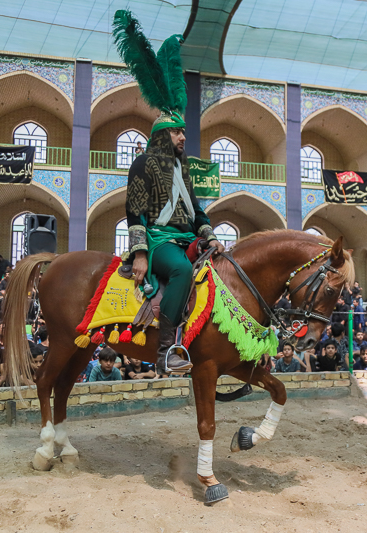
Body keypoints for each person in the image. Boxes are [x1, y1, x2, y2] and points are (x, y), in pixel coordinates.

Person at [119, 27, 224, 376]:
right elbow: (133, 210)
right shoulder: (143, 163)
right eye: (178, 132)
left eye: (183, 132)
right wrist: (140, 252)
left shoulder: (183, 170)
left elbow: (196, 211)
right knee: (179, 270)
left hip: (187, 239)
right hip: (160, 241)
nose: (183, 137)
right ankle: (166, 350)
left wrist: (209, 234)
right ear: (163, 136)